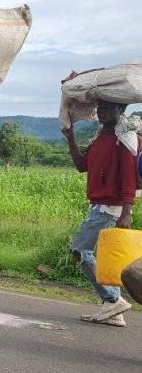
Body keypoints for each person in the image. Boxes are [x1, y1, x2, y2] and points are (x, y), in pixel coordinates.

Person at [63, 98, 134, 326]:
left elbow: (129, 177)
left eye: (110, 107)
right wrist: (71, 137)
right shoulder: (99, 138)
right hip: (98, 205)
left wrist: (127, 211)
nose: (102, 111)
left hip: (109, 207)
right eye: (100, 106)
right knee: (96, 255)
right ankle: (114, 310)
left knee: (81, 250)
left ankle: (113, 299)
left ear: (120, 110)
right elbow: (81, 165)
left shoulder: (122, 139)